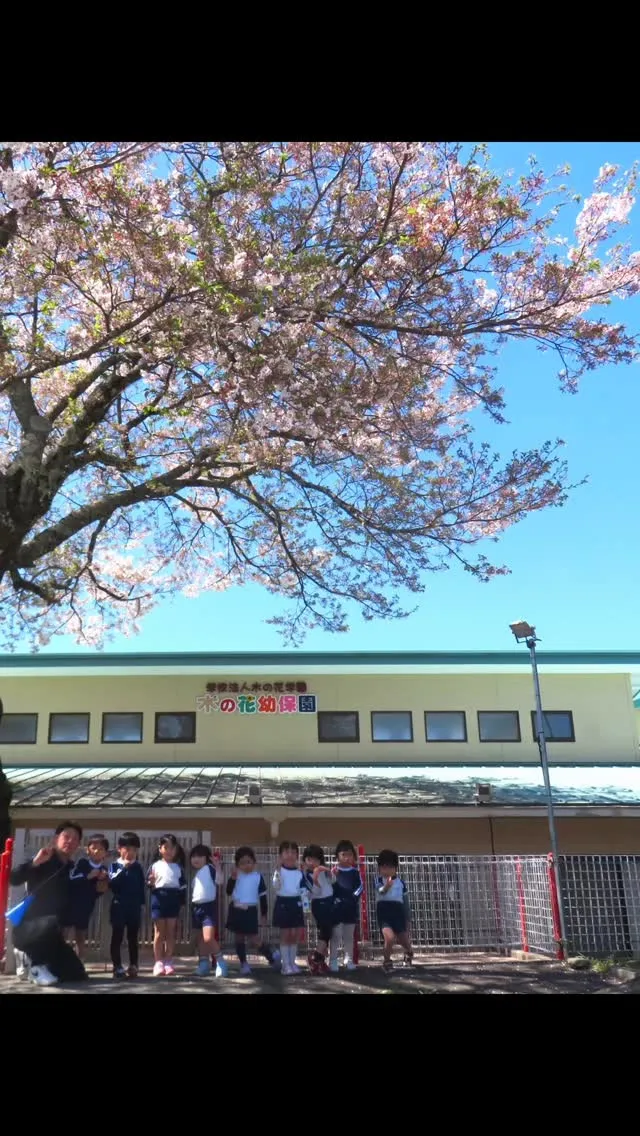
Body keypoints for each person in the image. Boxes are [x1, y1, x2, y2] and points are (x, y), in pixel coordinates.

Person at [9, 821, 89, 987]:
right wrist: (34, 863)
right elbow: (14, 878)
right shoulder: (44, 858)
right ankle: (36, 966)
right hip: (29, 928)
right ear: (56, 839)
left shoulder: (70, 867)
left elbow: (73, 897)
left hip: (51, 933)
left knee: (76, 973)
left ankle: (30, 960)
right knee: (51, 920)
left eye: (75, 839)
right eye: (66, 836)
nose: (70, 841)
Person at [225, 846, 279, 976]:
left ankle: (270, 955)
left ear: (254, 863)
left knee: (254, 938)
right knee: (239, 938)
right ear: (237, 865)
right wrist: (232, 879)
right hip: (236, 909)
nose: (246, 865)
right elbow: (228, 891)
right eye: (242, 863)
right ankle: (244, 964)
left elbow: (263, 897)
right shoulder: (236, 875)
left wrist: (264, 914)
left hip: (250, 910)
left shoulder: (258, 877)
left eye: (249, 862)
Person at [65, 833, 110, 960]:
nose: (96, 851)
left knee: (80, 935)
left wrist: (103, 881)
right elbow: (72, 879)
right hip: (70, 903)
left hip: (86, 906)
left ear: (105, 853)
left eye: (101, 849)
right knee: (64, 932)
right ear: (87, 850)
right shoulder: (82, 863)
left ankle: (80, 960)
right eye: (93, 848)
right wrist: (88, 876)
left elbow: (100, 891)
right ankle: (60, 959)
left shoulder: (104, 870)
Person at [148, 833, 187, 977]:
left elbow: (183, 887)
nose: (169, 850)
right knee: (159, 933)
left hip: (173, 900)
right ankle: (158, 962)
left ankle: (168, 961)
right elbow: (149, 883)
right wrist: (151, 882)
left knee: (171, 932)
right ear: (160, 849)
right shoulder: (155, 866)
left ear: (176, 850)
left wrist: (181, 903)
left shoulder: (178, 868)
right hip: (158, 899)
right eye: (166, 847)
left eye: (172, 848)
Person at [108, 832, 146, 979]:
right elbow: (113, 884)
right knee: (117, 937)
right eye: (128, 848)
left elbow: (140, 886)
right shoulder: (115, 866)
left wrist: (141, 904)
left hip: (134, 907)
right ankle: (117, 966)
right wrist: (124, 869)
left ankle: (134, 965)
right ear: (120, 848)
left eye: (134, 849)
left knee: (133, 938)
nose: (131, 852)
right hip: (119, 906)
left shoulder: (138, 867)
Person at [190, 843, 228, 977]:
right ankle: (203, 964)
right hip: (196, 909)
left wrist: (217, 866)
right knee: (201, 939)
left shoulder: (210, 868)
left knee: (208, 938)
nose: (196, 859)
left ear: (207, 858)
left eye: (200, 856)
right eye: (193, 856)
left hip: (208, 907)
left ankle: (221, 962)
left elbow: (220, 881)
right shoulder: (196, 875)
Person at [272, 840, 310, 975]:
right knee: (285, 934)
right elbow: (276, 886)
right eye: (286, 852)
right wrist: (277, 870)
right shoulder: (279, 870)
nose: (290, 855)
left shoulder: (300, 872)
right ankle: (285, 965)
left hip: (297, 904)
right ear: (281, 855)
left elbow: (304, 891)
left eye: (293, 852)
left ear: (297, 855)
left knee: (295, 934)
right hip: (283, 903)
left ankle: (292, 963)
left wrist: (306, 909)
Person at [375, 849, 414, 973]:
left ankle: (409, 952)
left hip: (398, 913)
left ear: (395, 868)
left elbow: (405, 902)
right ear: (379, 868)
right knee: (389, 938)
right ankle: (387, 961)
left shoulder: (401, 883)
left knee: (404, 939)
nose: (386, 870)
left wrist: (408, 918)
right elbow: (380, 891)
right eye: (383, 867)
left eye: (390, 867)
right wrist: (387, 886)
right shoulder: (378, 880)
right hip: (384, 913)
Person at [329, 839, 363, 973]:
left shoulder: (355, 872)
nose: (347, 857)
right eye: (344, 854)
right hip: (337, 909)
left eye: (350, 854)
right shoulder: (333, 871)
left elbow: (360, 887)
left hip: (351, 909)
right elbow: (329, 887)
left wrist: (353, 898)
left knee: (349, 936)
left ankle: (348, 960)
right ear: (337, 856)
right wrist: (335, 900)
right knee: (336, 935)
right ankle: (333, 960)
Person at [303, 844, 335, 975]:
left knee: (327, 931)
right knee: (326, 931)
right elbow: (312, 893)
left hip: (329, 902)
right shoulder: (306, 875)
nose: (313, 862)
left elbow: (333, 882)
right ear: (305, 859)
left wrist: (330, 873)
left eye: (316, 859)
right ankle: (315, 958)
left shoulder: (322, 871)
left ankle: (320, 961)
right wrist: (315, 880)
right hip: (319, 904)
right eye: (309, 859)